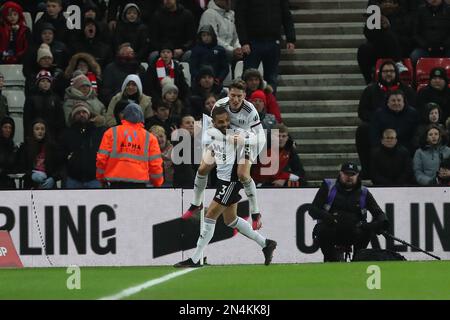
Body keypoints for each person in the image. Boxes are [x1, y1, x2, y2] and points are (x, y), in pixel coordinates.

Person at [174, 106, 277, 267]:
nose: (225, 124)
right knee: (231, 220)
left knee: (210, 214)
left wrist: (246, 141)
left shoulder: (237, 134)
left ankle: (195, 258)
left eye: (227, 121)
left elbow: (258, 138)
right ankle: (266, 243)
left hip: (231, 181)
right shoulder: (212, 135)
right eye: (221, 122)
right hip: (223, 180)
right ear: (214, 123)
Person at [183, 80, 266, 230]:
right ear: (228, 94)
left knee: (243, 175)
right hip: (225, 138)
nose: (235, 100)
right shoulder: (220, 105)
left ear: (244, 96)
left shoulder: (250, 110)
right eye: (233, 95)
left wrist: (244, 140)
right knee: (202, 168)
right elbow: (210, 129)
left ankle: (255, 212)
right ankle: (196, 203)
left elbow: (261, 137)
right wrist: (222, 140)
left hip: (244, 141)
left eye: (239, 96)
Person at [308, 162, 389, 262]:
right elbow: (312, 209)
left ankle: (358, 260)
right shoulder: (328, 187)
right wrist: (326, 217)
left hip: (354, 231)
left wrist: (380, 223)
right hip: (331, 229)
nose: (349, 177)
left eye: (352, 174)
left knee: (367, 231)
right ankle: (331, 260)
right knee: (323, 230)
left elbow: (378, 213)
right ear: (341, 174)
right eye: (346, 174)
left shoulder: (364, 192)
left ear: (357, 175)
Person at [96, 103, 164, 188]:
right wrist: (157, 183)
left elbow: (102, 159)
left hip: (116, 184)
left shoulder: (111, 132)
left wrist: (101, 178)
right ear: (141, 117)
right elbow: (155, 165)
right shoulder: (150, 138)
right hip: (139, 184)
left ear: (124, 116)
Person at [235, 0, 296, 92]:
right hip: (253, 42)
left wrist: (290, 38)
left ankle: (270, 104)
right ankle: (246, 104)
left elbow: (286, 15)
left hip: (273, 42)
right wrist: (244, 42)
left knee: (272, 79)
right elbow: (240, 17)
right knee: (249, 77)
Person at [61, 103, 105, 189]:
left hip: (94, 178)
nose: (81, 114)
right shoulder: (67, 133)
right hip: (73, 178)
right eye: (78, 113)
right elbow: (62, 154)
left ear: (89, 114)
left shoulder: (98, 131)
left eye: (84, 112)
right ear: (73, 116)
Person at [16, 118, 62, 189]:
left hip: (48, 185)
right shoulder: (25, 147)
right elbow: (20, 167)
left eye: (42, 129)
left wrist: (53, 179)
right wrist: (31, 175)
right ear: (32, 131)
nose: (40, 131)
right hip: (30, 185)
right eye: (37, 129)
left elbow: (60, 167)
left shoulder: (52, 147)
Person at [23, 70, 65, 139]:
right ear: (38, 83)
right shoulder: (31, 99)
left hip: (52, 135)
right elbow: (27, 120)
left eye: (48, 81)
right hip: (35, 136)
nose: (46, 83)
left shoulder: (55, 98)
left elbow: (60, 119)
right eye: (43, 81)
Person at [0, 116, 17, 189]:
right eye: (5, 127)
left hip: (9, 182)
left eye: (10, 128)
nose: (8, 130)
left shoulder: (13, 146)